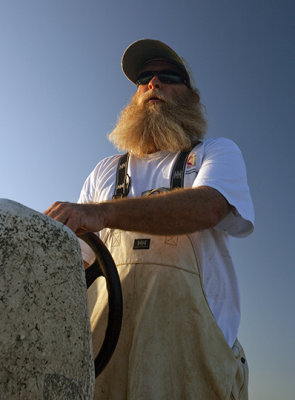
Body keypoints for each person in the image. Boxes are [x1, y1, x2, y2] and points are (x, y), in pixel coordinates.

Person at [45, 39, 254, 400]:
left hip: (195, 371)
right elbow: (74, 265)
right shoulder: (104, 172)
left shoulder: (215, 153)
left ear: (193, 98)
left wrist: (101, 212)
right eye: (144, 78)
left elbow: (209, 206)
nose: (153, 84)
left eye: (168, 76)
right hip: (104, 365)